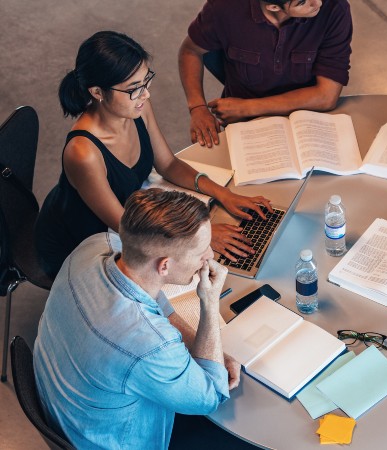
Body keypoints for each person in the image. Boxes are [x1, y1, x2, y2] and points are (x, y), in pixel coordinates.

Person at [35, 31, 269, 279]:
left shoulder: (138, 108)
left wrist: (223, 193)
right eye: (134, 88)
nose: (146, 94)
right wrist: (202, 234)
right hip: (82, 242)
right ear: (97, 92)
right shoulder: (83, 154)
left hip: (132, 214)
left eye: (146, 81)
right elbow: (127, 226)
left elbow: (168, 164)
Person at [34, 189, 237, 449]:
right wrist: (209, 302)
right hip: (108, 440)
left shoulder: (96, 245)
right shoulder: (150, 344)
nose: (210, 256)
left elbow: (157, 304)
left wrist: (203, 349)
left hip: (66, 413)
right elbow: (212, 394)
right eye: (201, 252)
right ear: (164, 266)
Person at [178, 0, 353, 147]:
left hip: (309, 121)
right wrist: (197, 108)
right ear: (273, 7)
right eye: (301, 2)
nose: (318, 2)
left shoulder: (334, 8)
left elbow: (326, 96)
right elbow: (190, 51)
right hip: (246, 128)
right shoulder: (224, 8)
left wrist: (246, 108)